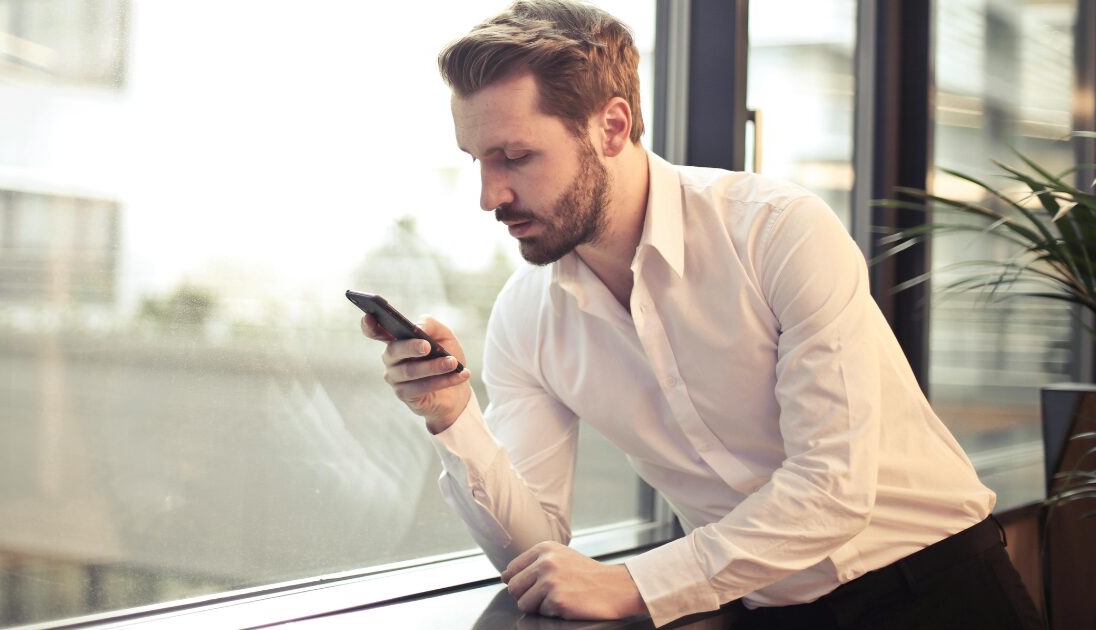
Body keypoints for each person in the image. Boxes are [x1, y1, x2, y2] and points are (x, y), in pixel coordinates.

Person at [359, 1, 1044, 628]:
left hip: (939, 589)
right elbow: (536, 555)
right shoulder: (525, 317)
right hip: (763, 612)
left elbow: (832, 489)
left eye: (516, 156)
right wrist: (453, 417)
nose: (489, 196)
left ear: (611, 127)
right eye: (478, 160)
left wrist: (639, 582)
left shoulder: (778, 231)